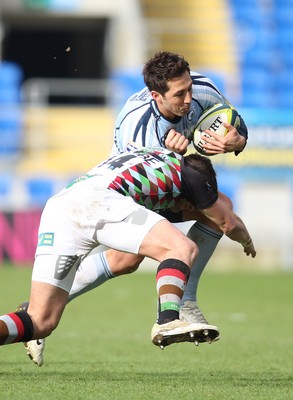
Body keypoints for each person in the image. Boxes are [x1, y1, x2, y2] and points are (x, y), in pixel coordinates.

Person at [19, 51, 249, 366]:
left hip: (120, 185)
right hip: (125, 186)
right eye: (179, 94)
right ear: (156, 96)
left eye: (189, 89)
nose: (189, 99)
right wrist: (233, 226)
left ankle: (30, 313)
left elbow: (234, 125)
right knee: (212, 217)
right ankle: (182, 306)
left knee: (125, 260)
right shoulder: (137, 128)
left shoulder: (203, 88)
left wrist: (236, 142)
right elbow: (154, 175)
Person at [1, 148, 256, 358]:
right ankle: (168, 319)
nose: (190, 210)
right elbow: (228, 222)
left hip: (61, 206)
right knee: (181, 248)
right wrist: (246, 241)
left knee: (39, 320)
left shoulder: (150, 162)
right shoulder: (193, 174)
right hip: (99, 201)